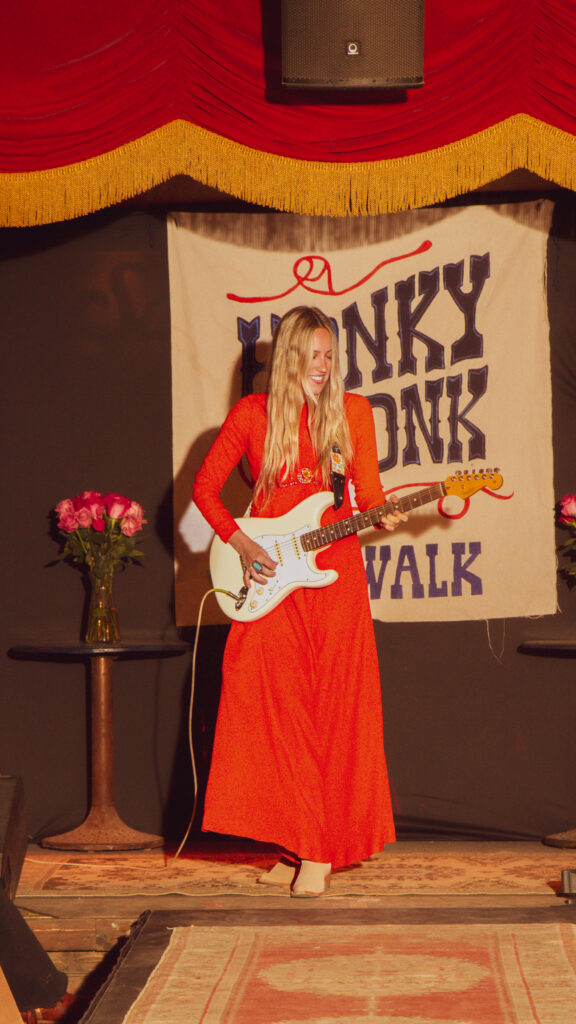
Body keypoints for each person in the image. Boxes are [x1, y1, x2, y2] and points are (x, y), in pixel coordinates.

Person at [193, 305, 407, 897]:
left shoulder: (353, 412)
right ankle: (295, 840)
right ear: (287, 356)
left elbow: (369, 496)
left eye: (330, 355)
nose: (323, 366)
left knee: (332, 710)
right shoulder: (252, 415)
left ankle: (317, 849)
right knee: (271, 708)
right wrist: (239, 541)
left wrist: (383, 515)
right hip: (269, 576)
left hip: (334, 577)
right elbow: (204, 489)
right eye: (312, 355)